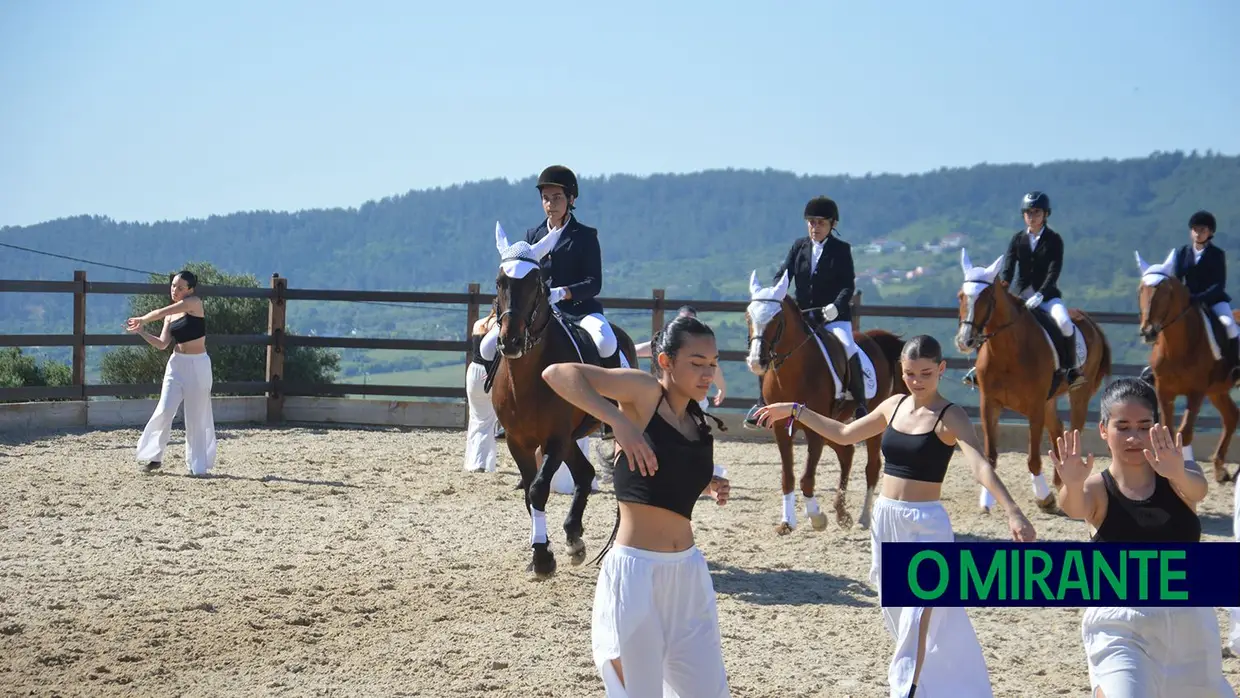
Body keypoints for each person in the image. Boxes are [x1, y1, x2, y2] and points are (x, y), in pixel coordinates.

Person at [754, 334, 1036, 698]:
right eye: (909, 373)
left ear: (941, 370)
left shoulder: (951, 416)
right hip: (887, 520)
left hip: (926, 525)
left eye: (926, 373)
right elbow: (843, 434)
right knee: (899, 612)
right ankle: (940, 685)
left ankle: (906, 689)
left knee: (920, 609)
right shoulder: (893, 405)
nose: (916, 381)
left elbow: (980, 465)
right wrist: (796, 409)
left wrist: (1013, 511)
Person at [542, 314, 732, 697]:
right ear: (665, 361)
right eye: (696, 363)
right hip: (638, 574)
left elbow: (664, 470)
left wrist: (705, 481)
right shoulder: (644, 392)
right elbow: (557, 373)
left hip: (690, 575)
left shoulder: (697, 418)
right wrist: (619, 422)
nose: (707, 373)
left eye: (712, 364)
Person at [1049, 377, 1236, 697]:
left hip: (1189, 624)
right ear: (1104, 429)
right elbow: (1074, 507)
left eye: (1143, 425)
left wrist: (1176, 470)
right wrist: (1073, 482)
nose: (1134, 436)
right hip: (1121, 625)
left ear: (1157, 427)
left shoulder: (1180, 477)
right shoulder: (1096, 488)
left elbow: (1198, 490)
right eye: (1123, 426)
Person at [482, 165, 629, 372]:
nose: (551, 204)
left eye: (557, 197)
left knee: (605, 341)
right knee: (486, 346)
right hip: (537, 313)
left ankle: (615, 393)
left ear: (571, 200)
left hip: (579, 311)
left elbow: (594, 283)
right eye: (546, 198)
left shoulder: (585, 236)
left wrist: (563, 293)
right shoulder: (533, 236)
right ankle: (487, 395)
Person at [745, 195, 865, 427]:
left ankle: (859, 402)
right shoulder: (799, 246)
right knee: (768, 343)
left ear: (832, 225)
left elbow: (847, 285)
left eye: (821, 222)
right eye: (811, 222)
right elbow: (784, 274)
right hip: (802, 315)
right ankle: (761, 401)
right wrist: (773, 293)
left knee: (848, 346)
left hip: (833, 317)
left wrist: (836, 307)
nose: (815, 227)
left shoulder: (841, 250)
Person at [127, 270, 217, 477]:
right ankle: (154, 457)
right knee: (165, 409)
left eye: (180, 287)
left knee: (196, 416)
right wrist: (141, 331)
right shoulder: (171, 315)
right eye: (173, 286)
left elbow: (159, 311)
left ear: (191, 289)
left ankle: (198, 466)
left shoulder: (194, 303)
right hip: (176, 365)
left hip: (198, 365)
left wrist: (143, 318)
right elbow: (162, 344)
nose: (175, 290)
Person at [998, 190, 1086, 389]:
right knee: (994, 319)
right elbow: (1008, 268)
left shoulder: (1054, 240)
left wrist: (1041, 294)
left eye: (1037, 212)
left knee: (1064, 322)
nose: (1032, 216)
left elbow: (1054, 271)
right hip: (1020, 295)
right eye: (1028, 212)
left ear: (1045, 214)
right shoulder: (1017, 239)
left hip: (1046, 295)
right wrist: (1004, 289)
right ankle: (981, 368)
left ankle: (1070, 369)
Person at [1175, 210, 1240, 384]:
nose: (1198, 233)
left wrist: (1199, 297)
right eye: (1195, 229)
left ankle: (1235, 366)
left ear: (1210, 233)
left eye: (1202, 230)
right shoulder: (1182, 252)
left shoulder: (1217, 254)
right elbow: (1177, 278)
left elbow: (1219, 284)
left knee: (1229, 325)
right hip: (1188, 302)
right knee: (1166, 322)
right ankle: (1155, 366)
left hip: (1214, 301)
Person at [636, 305, 726, 408]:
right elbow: (632, 351)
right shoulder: (663, 344)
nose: (709, 375)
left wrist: (721, 388)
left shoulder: (703, 348)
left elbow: (714, 368)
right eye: (696, 364)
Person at [464, 310, 500, 473]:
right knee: (489, 421)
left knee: (476, 417)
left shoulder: (478, 323)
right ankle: (483, 462)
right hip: (490, 372)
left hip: (473, 372)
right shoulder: (498, 326)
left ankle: (473, 460)